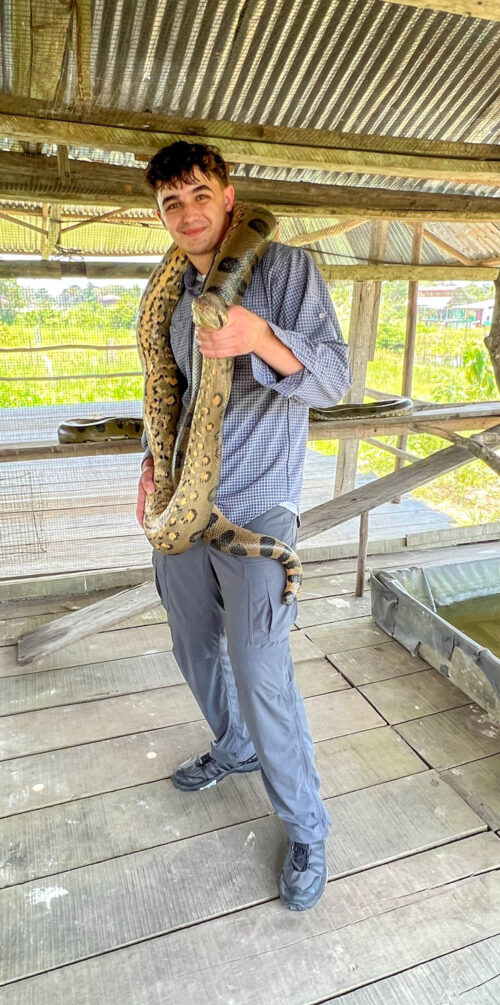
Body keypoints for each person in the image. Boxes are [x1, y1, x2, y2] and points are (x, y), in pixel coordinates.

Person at [136, 141, 351, 912]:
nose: (187, 213)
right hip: (182, 506)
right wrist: (150, 469)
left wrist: (260, 338)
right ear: (159, 216)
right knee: (190, 643)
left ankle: (306, 826)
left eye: (199, 195)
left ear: (229, 198)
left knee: (260, 666)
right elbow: (165, 390)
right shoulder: (162, 294)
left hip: (257, 503)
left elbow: (331, 377)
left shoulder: (287, 270)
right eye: (170, 203)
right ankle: (232, 748)